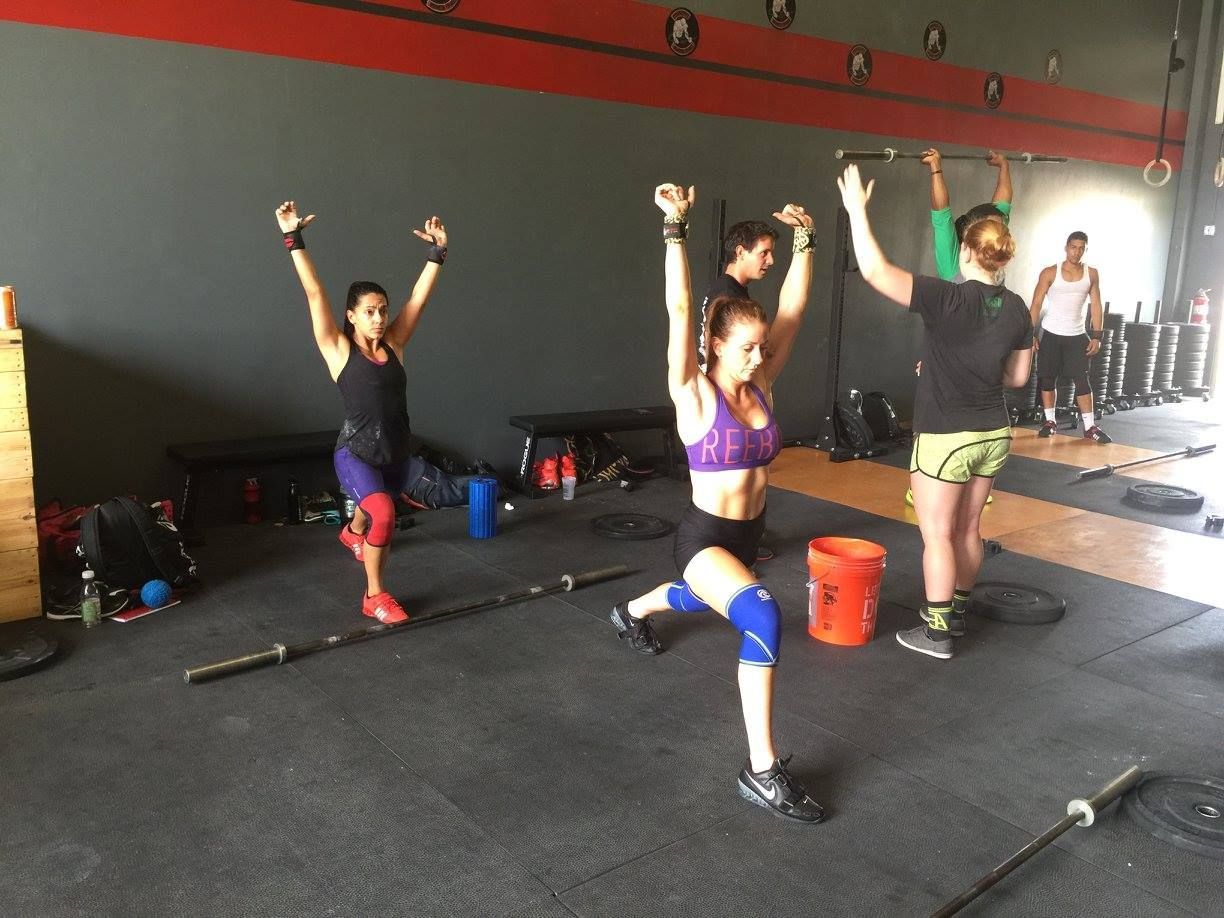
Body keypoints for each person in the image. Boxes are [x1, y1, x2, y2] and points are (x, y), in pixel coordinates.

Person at [609, 182, 823, 823]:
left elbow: (795, 306)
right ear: (716, 346)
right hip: (703, 536)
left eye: (763, 347)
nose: (762, 356)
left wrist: (807, 242)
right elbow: (679, 308)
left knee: (701, 597)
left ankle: (629, 611)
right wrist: (674, 229)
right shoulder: (694, 394)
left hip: (748, 535)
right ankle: (761, 771)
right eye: (748, 348)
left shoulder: (761, 386)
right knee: (760, 615)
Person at [836, 165, 1033, 661]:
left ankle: (937, 633)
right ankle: (956, 616)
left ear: (966, 251)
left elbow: (877, 272)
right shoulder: (1016, 308)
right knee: (968, 530)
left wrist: (857, 211)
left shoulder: (946, 296)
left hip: (947, 435)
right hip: (994, 433)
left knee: (937, 535)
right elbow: (1016, 380)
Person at [276, 199, 449, 623]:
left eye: (382, 311)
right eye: (368, 312)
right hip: (356, 454)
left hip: (396, 453)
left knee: (378, 513)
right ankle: (375, 595)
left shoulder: (395, 344)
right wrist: (293, 238)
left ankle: (352, 531)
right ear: (351, 316)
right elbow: (315, 292)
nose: (377, 318)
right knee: (385, 515)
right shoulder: (338, 349)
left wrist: (437, 254)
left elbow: (418, 301)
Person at [1028, 231, 1111, 442]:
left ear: (1086, 249)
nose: (1077, 251)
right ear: (1066, 247)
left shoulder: (1091, 273)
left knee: (1082, 380)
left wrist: (1097, 336)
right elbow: (1036, 303)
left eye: (1081, 248)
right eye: (1073, 247)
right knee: (1047, 378)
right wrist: (1030, 334)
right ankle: (1050, 421)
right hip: (1051, 333)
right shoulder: (1049, 272)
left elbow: (1096, 305)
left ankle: (1090, 427)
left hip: (1077, 335)